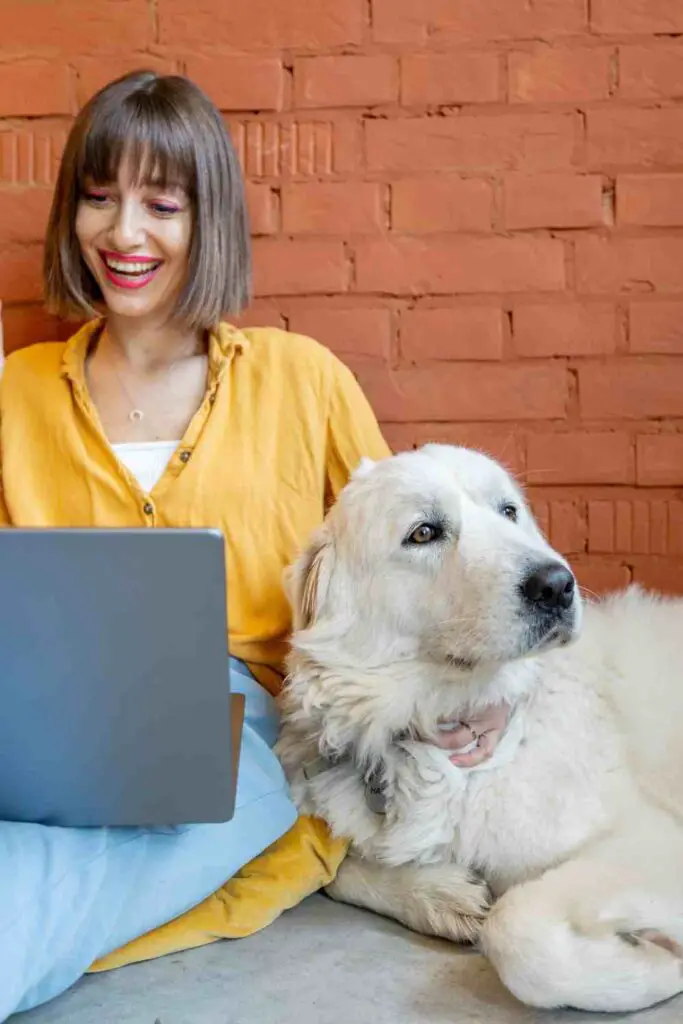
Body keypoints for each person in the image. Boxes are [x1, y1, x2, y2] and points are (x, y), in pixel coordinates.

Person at [0, 70, 391, 1019]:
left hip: (243, 733)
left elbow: (409, 559)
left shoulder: (303, 381)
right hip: (49, 733)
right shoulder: (14, 391)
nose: (122, 234)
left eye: (160, 204)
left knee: (56, 872)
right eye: (98, 199)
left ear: (206, 219)